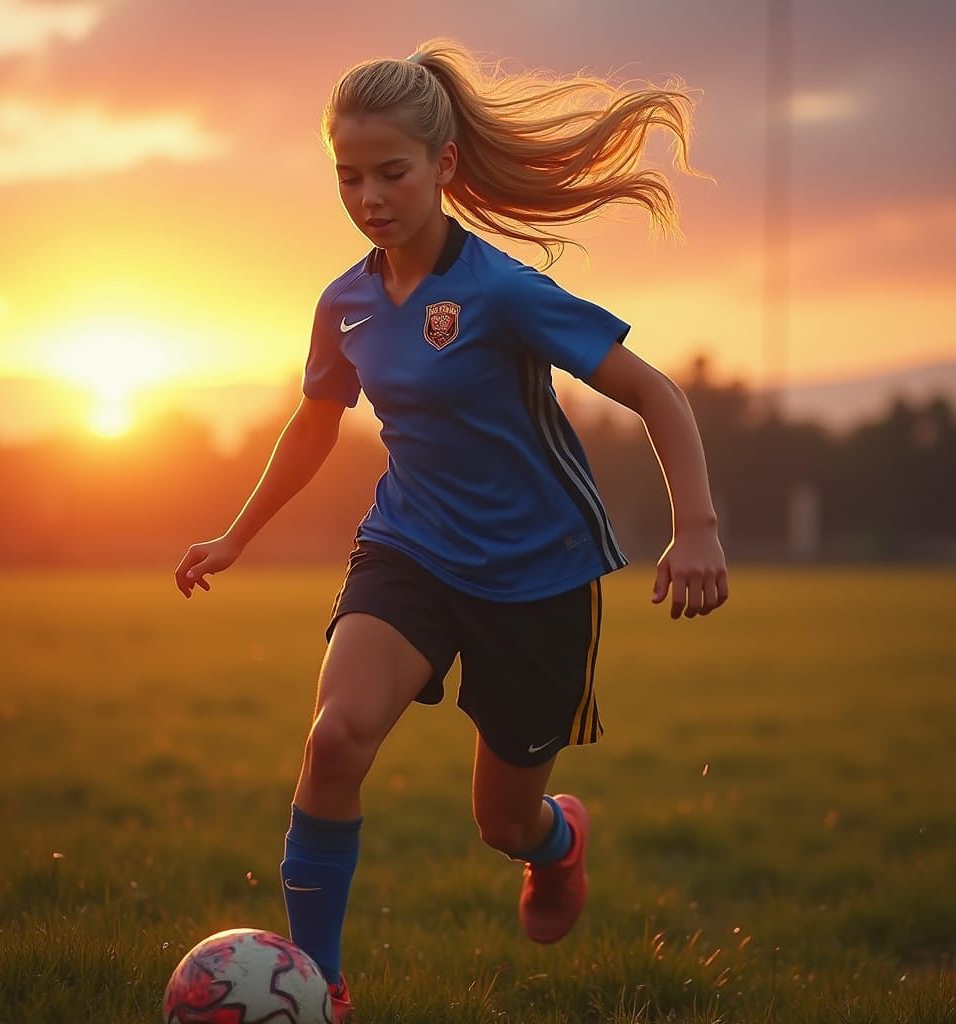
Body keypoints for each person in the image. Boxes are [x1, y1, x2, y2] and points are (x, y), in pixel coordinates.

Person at [174, 37, 728, 1023]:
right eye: (350, 175)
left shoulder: (500, 290)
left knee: (501, 821)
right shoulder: (343, 304)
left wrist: (696, 524)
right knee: (335, 739)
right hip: (410, 550)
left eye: (391, 171)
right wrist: (235, 534)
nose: (369, 195)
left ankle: (557, 844)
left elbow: (653, 391)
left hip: (539, 577)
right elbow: (312, 424)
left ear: (444, 168)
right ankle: (322, 987)